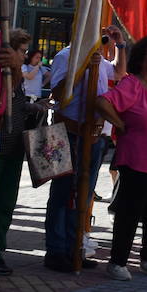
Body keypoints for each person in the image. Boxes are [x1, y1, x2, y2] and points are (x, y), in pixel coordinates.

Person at [90, 36, 147, 279]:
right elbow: (102, 103)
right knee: (129, 213)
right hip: (137, 160)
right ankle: (117, 262)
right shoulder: (132, 84)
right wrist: (120, 124)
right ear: (140, 59)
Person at [43, 33, 116, 272]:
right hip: (68, 133)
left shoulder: (101, 61)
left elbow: (119, 72)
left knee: (84, 194)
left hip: (93, 136)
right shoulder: (65, 57)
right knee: (63, 193)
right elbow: (58, 93)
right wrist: (82, 66)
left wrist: (120, 46)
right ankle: (56, 250)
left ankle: (75, 248)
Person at [0, 29, 38, 278]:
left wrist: (34, 107)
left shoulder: (18, 77)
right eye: (22, 51)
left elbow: (16, 103)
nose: (24, 56)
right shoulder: (0, 72)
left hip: (14, 149)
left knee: (5, 204)